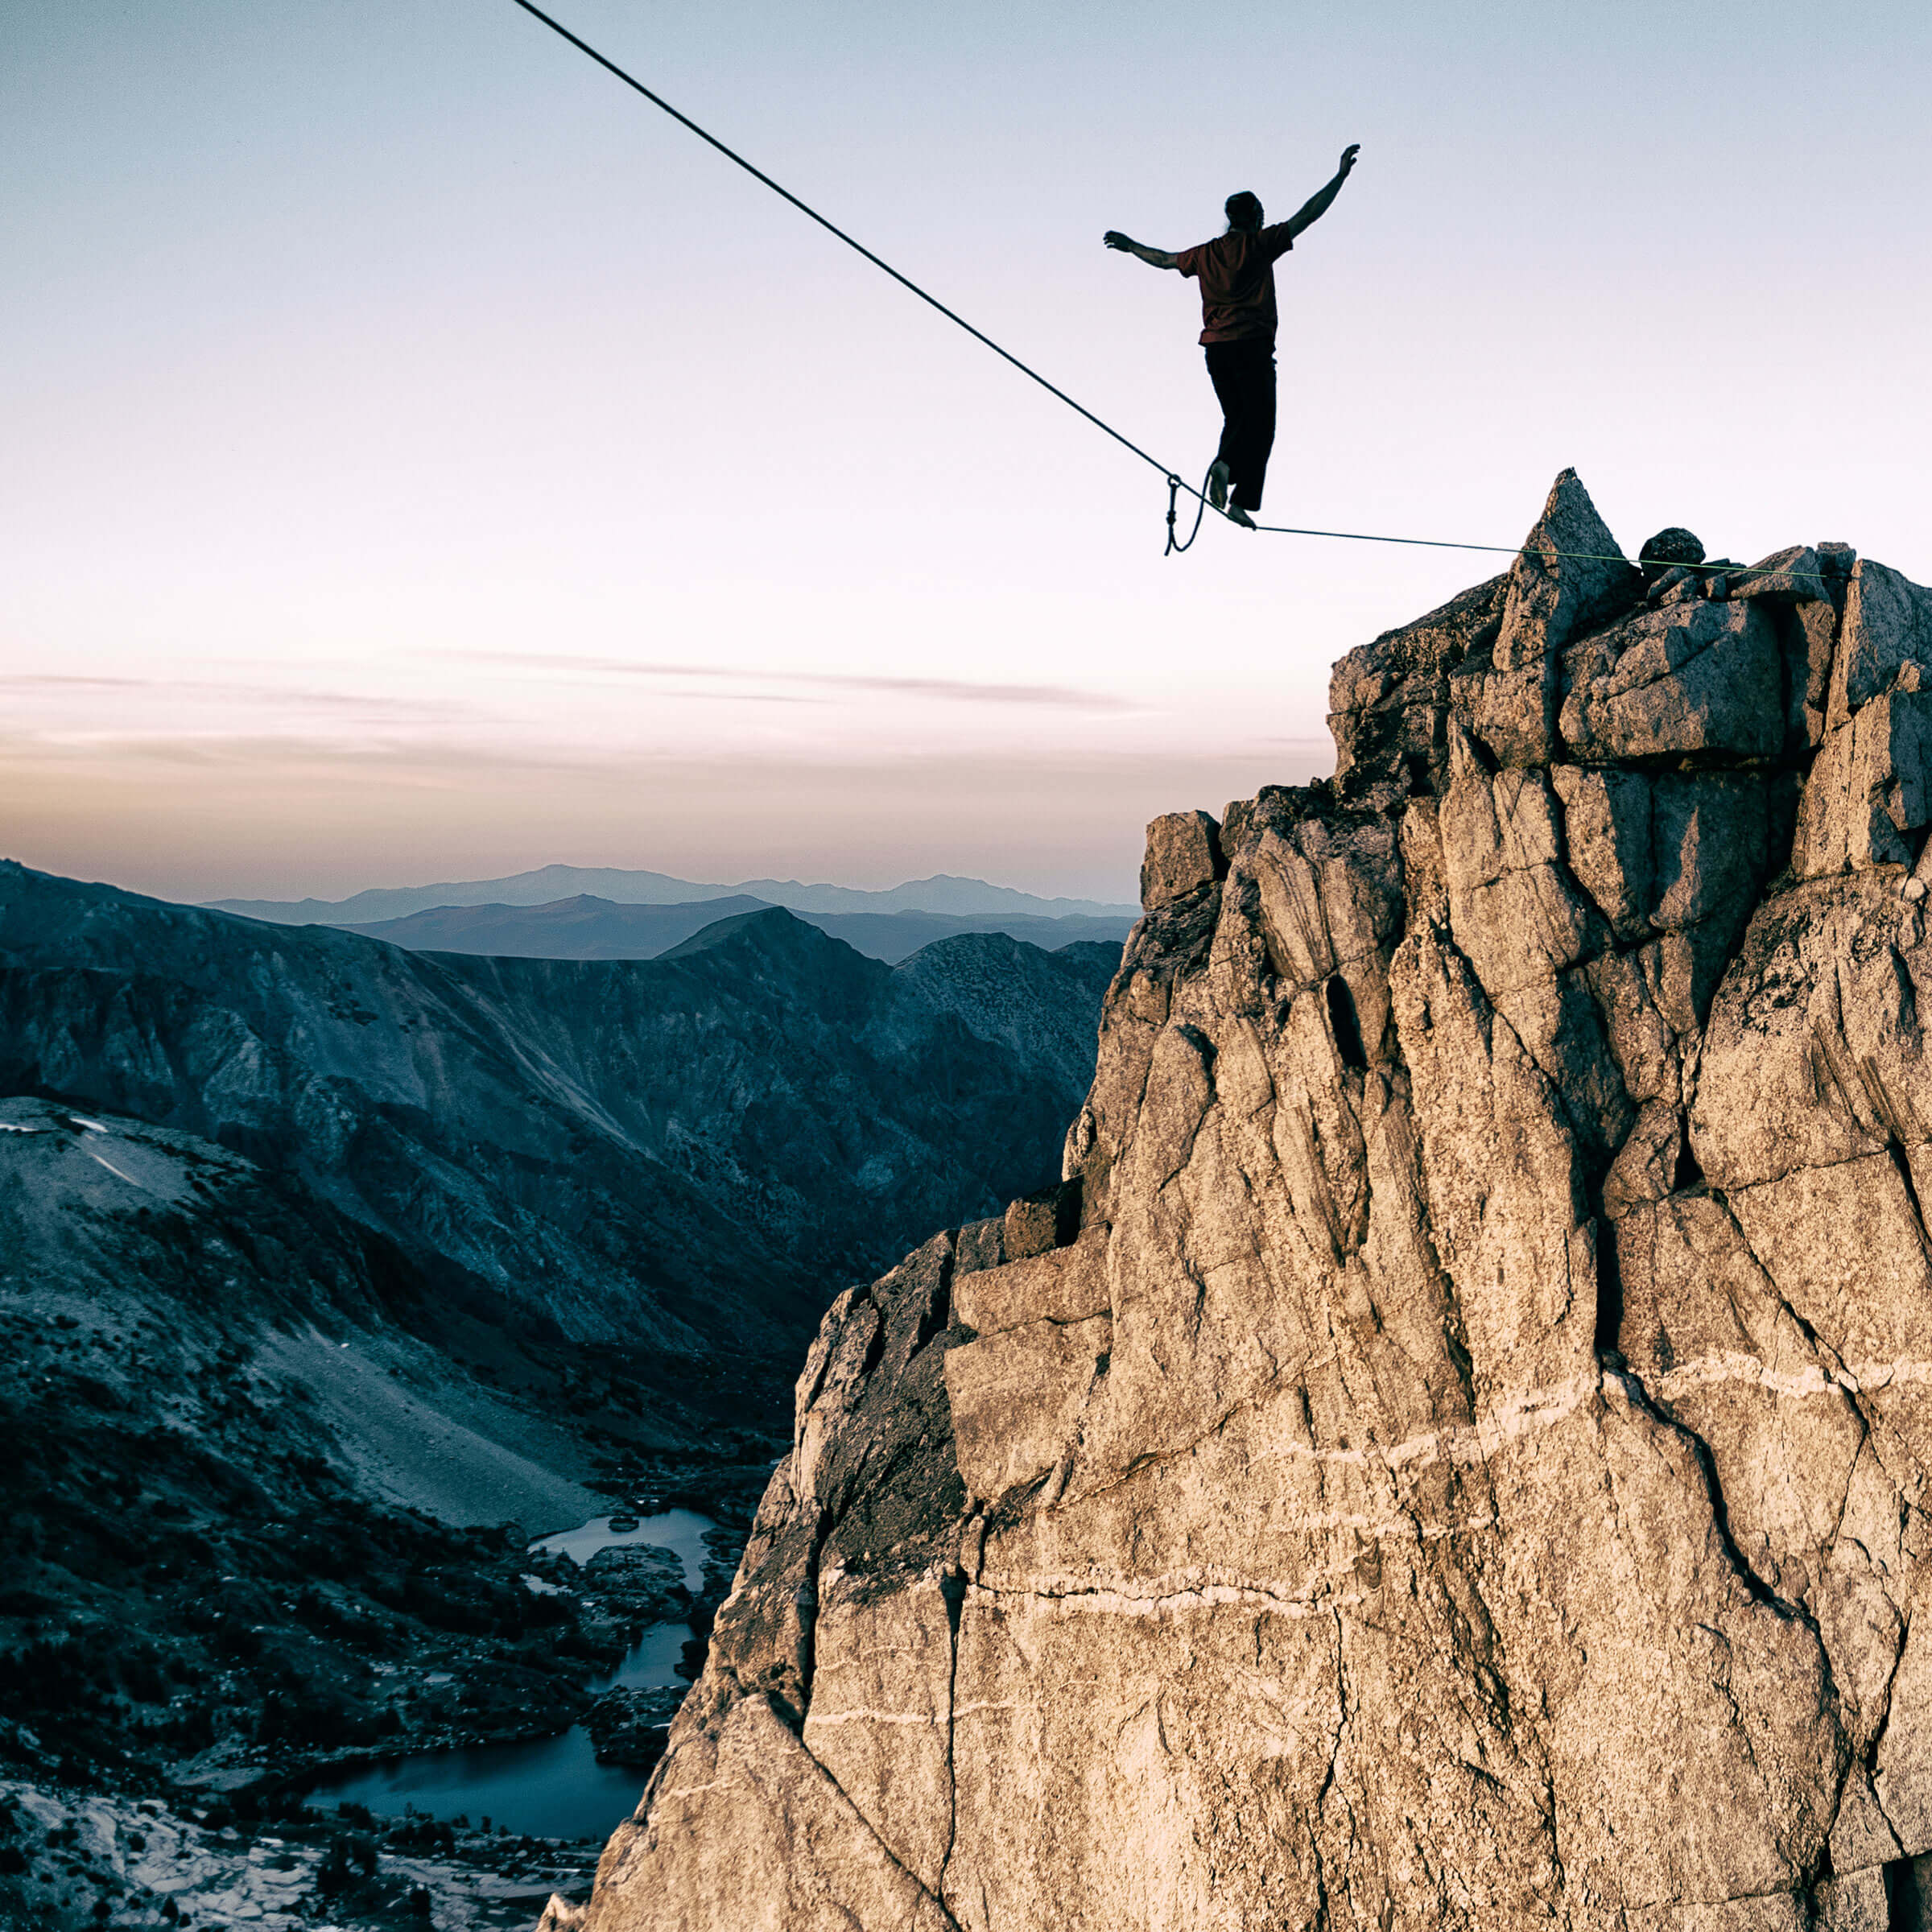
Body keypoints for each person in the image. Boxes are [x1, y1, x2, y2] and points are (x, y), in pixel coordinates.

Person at [1104, 146, 1360, 528]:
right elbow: (1308, 214)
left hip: (1216, 351)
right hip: (1252, 346)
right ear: (1254, 217)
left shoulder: (1205, 254)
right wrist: (1339, 177)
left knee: (1237, 419)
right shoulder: (1260, 245)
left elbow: (1164, 259)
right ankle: (1236, 487)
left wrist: (1130, 247)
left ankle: (1227, 472)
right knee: (1263, 423)